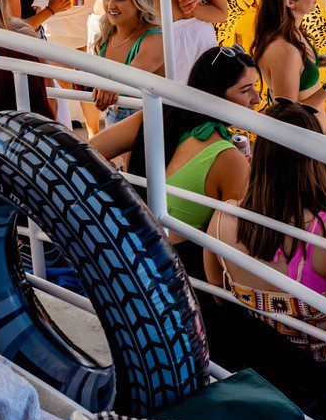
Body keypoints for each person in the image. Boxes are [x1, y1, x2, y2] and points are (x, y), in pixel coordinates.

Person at [203, 100, 326, 361]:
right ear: (314, 161)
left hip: (261, 359)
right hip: (324, 372)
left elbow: (219, 296)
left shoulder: (222, 217)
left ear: (260, 156)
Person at [89, 45, 258, 268]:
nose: (256, 99)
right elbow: (241, 246)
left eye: (255, 88)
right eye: (246, 90)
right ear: (216, 94)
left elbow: (88, 150)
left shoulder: (160, 115)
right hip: (182, 272)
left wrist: (120, 186)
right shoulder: (228, 158)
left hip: (133, 250)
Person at [89, 0, 164, 126]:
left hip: (148, 127)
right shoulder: (107, 35)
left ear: (139, 0)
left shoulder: (154, 39)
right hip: (113, 119)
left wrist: (109, 85)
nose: (111, 5)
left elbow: (130, 75)